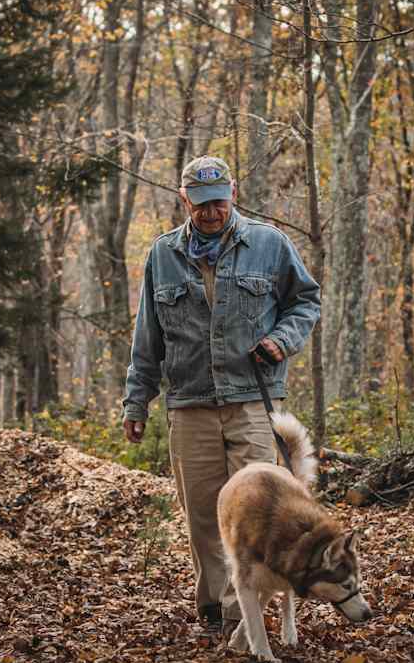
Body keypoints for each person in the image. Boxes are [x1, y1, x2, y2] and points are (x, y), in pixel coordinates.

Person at [122, 155, 321, 633]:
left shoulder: (269, 244)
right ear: (185, 199)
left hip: (252, 400)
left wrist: (282, 339)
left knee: (255, 513)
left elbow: (306, 300)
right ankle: (214, 606)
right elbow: (147, 337)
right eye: (201, 204)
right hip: (189, 403)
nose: (211, 212)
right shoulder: (162, 254)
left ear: (232, 194)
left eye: (219, 202)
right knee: (204, 513)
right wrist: (136, 400)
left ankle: (242, 613)